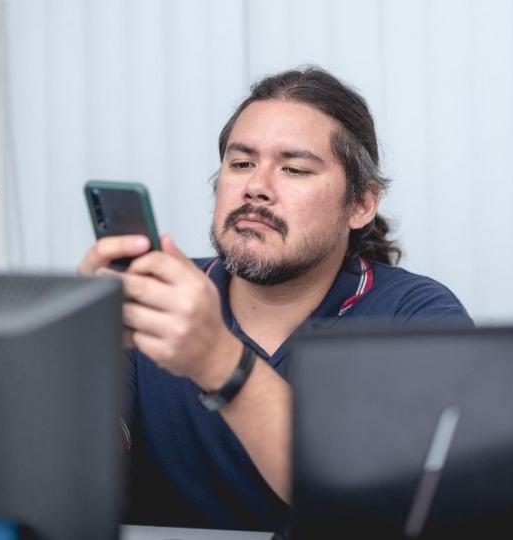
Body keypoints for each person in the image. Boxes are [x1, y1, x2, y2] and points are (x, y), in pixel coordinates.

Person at [78, 66, 471, 532]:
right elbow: (72, 476)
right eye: (241, 163)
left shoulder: (415, 316)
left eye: (295, 169)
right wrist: (78, 359)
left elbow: (385, 509)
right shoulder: (159, 299)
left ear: (362, 204)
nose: (256, 186)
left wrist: (219, 359)